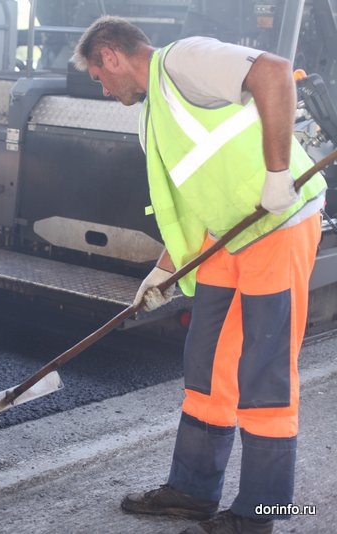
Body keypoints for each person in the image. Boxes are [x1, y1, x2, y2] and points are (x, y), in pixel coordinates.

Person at [72, 16, 326, 534]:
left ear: (112, 54)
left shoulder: (184, 60)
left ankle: (261, 513)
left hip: (276, 225)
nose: (103, 87)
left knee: (265, 373)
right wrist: (162, 271)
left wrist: (279, 174)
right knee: (208, 366)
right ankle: (191, 491)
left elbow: (274, 73)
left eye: (99, 76)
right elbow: (188, 202)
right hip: (224, 239)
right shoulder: (151, 118)